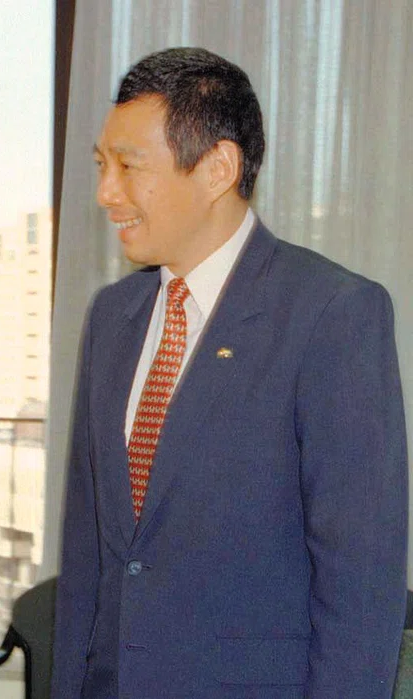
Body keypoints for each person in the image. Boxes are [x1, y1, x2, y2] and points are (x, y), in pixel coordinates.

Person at [52, 47, 408, 698]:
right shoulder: (112, 316)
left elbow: (360, 588)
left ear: (217, 167)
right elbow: (88, 562)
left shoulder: (333, 315)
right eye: (102, 166)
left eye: (129, 168)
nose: (106, 193)